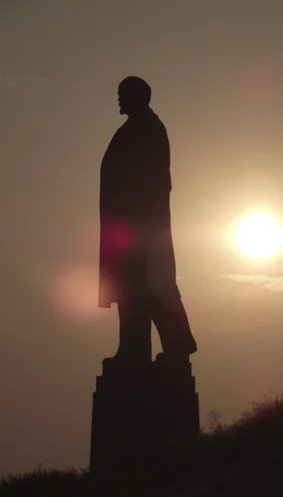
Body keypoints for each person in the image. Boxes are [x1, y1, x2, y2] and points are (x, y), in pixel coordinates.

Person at [99, 76, 197, 367]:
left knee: (153, 287)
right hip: (127, 229)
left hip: (141, 229)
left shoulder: (149, 129)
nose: (118, 99)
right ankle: (133, 349)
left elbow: (153, 181)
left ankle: (179, 344)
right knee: (131, 290)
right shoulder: (134, 129)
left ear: (138, 97)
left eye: (122, 94)